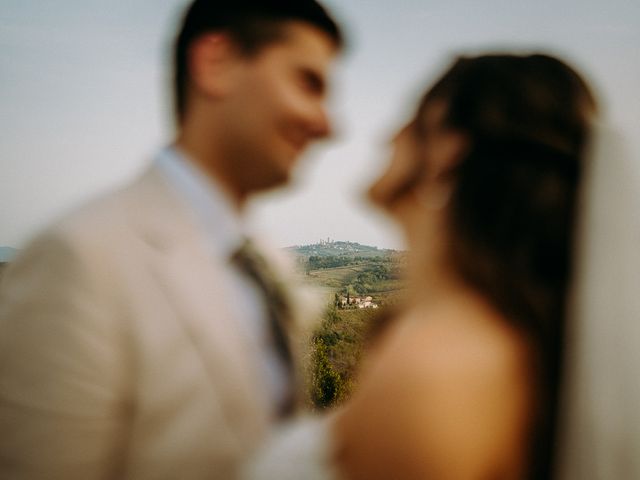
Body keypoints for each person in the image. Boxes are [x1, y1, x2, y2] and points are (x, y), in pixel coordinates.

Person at [243, 53, 638, 479]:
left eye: (411, 118)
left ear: (450, 149)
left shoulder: (433, 373)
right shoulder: (501, 338)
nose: (387, 136)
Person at [0, 1, 343, 478]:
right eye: (308, 82)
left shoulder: (267, 262)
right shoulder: (78, 258)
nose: (328, 125)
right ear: (215, 64)